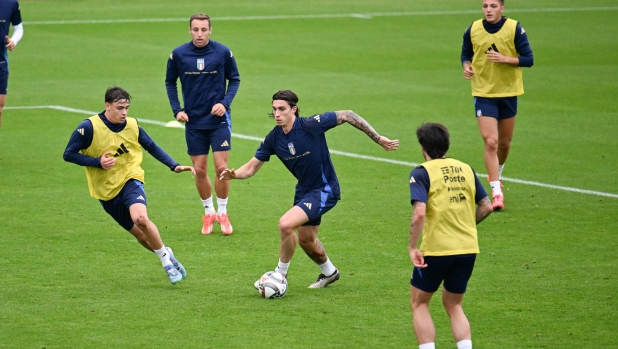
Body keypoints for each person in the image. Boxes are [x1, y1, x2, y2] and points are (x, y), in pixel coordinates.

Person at [219, 90, 399, 290]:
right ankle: (330, 273)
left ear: (293, 110)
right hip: (304, 190)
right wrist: (234, 175)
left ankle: (280, 274)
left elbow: (348, 114)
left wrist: (378, 138)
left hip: (325, 189)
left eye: (282, 109)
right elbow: (251, 167)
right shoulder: (273, 138)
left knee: (285, 225)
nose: (277, 114)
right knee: (306, 240)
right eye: (274, 109)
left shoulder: (311, 124)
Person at [63, 86, 195, 285]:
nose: (124, 112)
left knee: (141, 219)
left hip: (130, 178)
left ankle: (167, 264)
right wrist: (97, 162)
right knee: (142, 237)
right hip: (105, 191)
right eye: (119, 108)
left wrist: (174, 165)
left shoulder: (132, 125)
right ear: (107, 106)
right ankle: (167, 254)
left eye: (127, 107)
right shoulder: (89, 127)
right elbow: (68, 154)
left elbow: (151, 146)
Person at [408, 123, 493, 349]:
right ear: (446, 145)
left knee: (419, 303)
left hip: (437, 249)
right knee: (454, 305)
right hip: (467, 248)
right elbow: (486, 206)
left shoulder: (421, 172)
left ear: (423, 147)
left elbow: (419, 213)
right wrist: (464, 224)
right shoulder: (466, 168)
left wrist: (412, 246)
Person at [165, 13, 241, 235]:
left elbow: (234, 79)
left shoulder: (223, 52)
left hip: (218, 121)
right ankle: (209, 213)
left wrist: (225, 103)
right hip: (194, 122)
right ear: (189, 30)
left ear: (210, 30)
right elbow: (170, 81)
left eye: (203, 29)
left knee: (221, 168)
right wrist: (177, 110)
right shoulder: (178, 54)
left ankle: (223, 213)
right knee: (199, 170)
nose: (199, 34)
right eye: (195, 29)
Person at [460, 0, 534, 210]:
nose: (488, 10)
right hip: (483, 93)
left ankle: (497, 175)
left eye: (493, 6)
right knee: (490, 142)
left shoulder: (515, 29)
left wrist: (506, 59)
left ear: (502, 8)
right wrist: (467, 67)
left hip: (509, 93)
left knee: (504, 144)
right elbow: (466, 54)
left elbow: (529, 59)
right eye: (485, 6)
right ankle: (496, 192)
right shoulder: (473, 29)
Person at [0, 0, 23, 127]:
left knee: (0, 107)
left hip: (1, 63)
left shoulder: (11, 3)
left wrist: (13, 41)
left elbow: (18, 28)